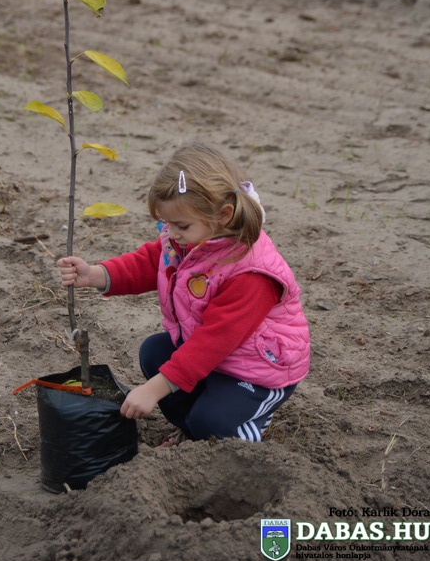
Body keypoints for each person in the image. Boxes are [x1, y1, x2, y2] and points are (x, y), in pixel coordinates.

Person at [58, 143, 310, 448]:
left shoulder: (252, 273)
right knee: (155, 353)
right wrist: (96, 275)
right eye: (166, 222)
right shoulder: (189, 238)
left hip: (257, 370)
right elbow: (151, 262)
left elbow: (213, 342)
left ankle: (248, 424)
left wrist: (153, 390)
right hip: (218, 357)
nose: (171, 232)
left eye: (181, 225)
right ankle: (192, 429)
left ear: (224, 215)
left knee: (211, 424)